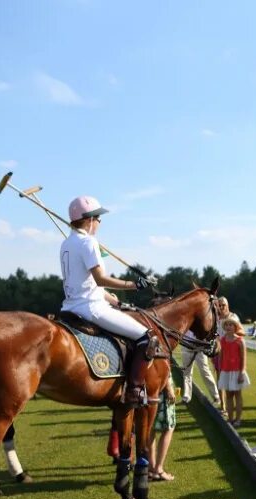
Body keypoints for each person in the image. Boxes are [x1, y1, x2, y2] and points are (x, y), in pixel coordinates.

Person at [60, 195, 153, 405]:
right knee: (146, 337)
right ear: (90, 219)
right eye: (99, 218)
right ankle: (135, 390)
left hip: (71, 306)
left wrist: (117, 303)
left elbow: (89, 285)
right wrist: (134, 285)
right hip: (91, 309)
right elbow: (100, 279)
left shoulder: (66, 244)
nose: (100, 223)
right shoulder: (88, 242)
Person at [217, 315, 249, 426]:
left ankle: (238, 419)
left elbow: (243, 358)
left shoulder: (240, 341)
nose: (229, 327)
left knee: (237, 394)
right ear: (224, 327)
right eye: (227, 325)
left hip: (237, 371)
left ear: (235, 327)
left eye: (231, 325)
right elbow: (221, 356)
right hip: (226, 371)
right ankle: (230, 419)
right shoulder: (222, 340)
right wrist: (220, 370)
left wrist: (242, 372)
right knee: (229, 395)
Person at [149, 375, 178, 481]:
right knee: (169, 428)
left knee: (150, 428)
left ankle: (151, 468)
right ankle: (158, 469)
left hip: (149, 384)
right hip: (161, 385)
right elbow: (161, 361)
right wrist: (169, 388)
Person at [180, 330, 221, 406]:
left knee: (205, 372)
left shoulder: (199, 319)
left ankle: (216, 396)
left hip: (200, 347)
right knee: (186, 372)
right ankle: (186, 397)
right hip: (186, 345)